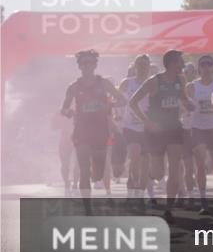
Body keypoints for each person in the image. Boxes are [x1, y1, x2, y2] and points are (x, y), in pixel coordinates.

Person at [129, 50, 194, 223]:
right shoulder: (154, 82)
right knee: (158, 173)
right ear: (172, 63)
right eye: (181, 62)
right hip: (156, 131)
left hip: (174, 129)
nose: (183, 65)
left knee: (174, 167)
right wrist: (147, 122)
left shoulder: (181, 80)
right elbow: (132, 102)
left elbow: (183, 98)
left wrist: (189, 104)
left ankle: (169, 208)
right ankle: (148, 177)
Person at [59, 49, 127, 211]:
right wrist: (70, 113)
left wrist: (108, 105)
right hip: (82, 130)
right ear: (79, 66)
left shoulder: (103, 83)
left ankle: (96, 178)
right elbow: (64, 109)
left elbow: (122, 100)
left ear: (95, 65)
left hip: (100, 130)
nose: (87, 66)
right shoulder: (74, 87)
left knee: (97, 170)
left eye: (90, 62)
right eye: (83, 63)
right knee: (83, 168)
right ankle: (87, 206)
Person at [186, 54, 213, 214]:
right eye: (203, 64)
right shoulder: (192, 86)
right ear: (199, 68)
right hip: (198, 128)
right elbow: (185, 105)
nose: (206, 67)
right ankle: (203, 200)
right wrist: (187, 108)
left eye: (209, 64)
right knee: (200, 163)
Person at [118, 55, 151, 203]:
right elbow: (117, 100)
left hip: (148, 127)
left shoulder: (153, 83)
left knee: (145, 161)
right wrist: (116, 114)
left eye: (145, 65)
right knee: (135, 154)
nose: (142, 67)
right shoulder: (127, 83)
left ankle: (140, 192)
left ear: (149, 67)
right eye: (139, 64)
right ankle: (134, 184)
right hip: (130, 126)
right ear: (135, 66)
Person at [178, 62, 197, 207]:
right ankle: (186, 193)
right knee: (187, 165)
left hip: (198, 130)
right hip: (184, 130)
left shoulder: (200, 88)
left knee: (195, 165)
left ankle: (190, 191)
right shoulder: (179, 92)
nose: (189, 75)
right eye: (187, 72)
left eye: (192, 72)